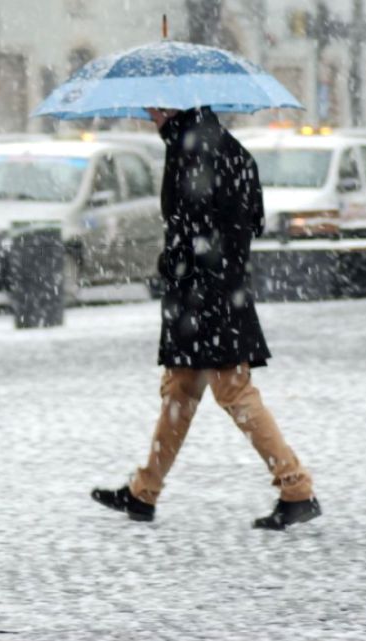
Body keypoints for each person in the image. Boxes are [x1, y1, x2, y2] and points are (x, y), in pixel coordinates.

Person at [91, 106, 321, 530]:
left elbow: (191, 227)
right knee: (179, 391)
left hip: (204, 292)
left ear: (173, 107)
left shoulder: (192, 153)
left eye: (154, 107)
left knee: (233, 390)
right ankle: (144, 492)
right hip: (215, 288)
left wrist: (174, 261)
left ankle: (296, 488)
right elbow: (250, 220)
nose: (149, 114)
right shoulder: (229, 149)